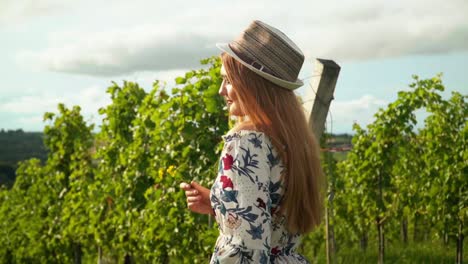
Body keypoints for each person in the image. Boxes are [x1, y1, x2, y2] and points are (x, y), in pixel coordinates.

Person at [180, 20, 324, 263]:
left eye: (228, 80)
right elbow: (267, 221)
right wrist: (219, 204)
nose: (221, 90)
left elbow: (246, 249)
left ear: (251, 84)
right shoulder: (293, 141)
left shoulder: (246, 142)